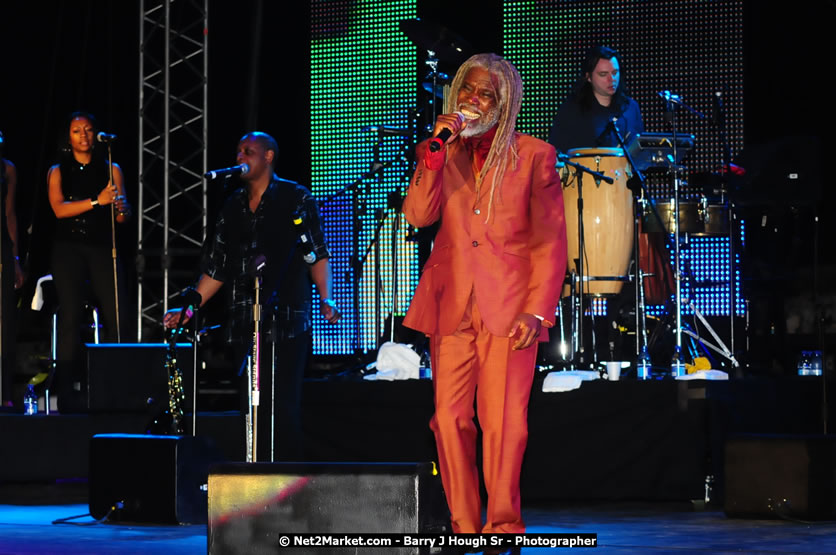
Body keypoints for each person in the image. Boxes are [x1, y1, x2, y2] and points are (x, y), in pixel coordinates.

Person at [402, 53, 567, 534]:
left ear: (505, 102)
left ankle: (502, 528)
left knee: (503, 426)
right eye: (467, 91)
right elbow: (417, 216)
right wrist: (432, 155)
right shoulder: (441, 151)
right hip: (451, 304)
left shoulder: (535, 155)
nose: (473, 101)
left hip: (510, 306)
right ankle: (464, 527)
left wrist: (538, 312)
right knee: (447, 420)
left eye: (485, 95)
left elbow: (550, 243)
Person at [163, 131, 339, 462]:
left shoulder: (295, 197)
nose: (240, 157)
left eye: (248, 151)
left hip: (288, 321)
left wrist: (326, 298)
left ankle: (289, 487)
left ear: (268, 156)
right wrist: (189, 308)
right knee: (250, 407)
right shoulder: (232, 206)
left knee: (282, 407)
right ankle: (254, 482)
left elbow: (315, 253)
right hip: (245, 321)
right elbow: (216, 269)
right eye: (238, 152)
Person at [47, 112, 131, 411]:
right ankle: (67, 393)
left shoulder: (111, 168)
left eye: (88, 130)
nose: (83, 135)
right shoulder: (58, 170)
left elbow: (122, 217)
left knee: (116, 314)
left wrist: (121, 208)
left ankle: (113, 387)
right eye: (76, 131)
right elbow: (59, 209)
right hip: (68, 248)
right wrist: (97, 201)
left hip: (101, 246)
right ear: (68, 137)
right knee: (71, 314)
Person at [548, 45, 644, 154]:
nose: (611, 79)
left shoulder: (630, 107)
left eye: (615, 73)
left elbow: (640, 151)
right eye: (603, 74)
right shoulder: (571, 110)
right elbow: (556, 150)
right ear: (588, 77)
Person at [0, 141, 25, 407]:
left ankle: (3, 393)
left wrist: (16, 259)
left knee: (4, 321)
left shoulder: (7, 169)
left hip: (1, 249)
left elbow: (9, 214)